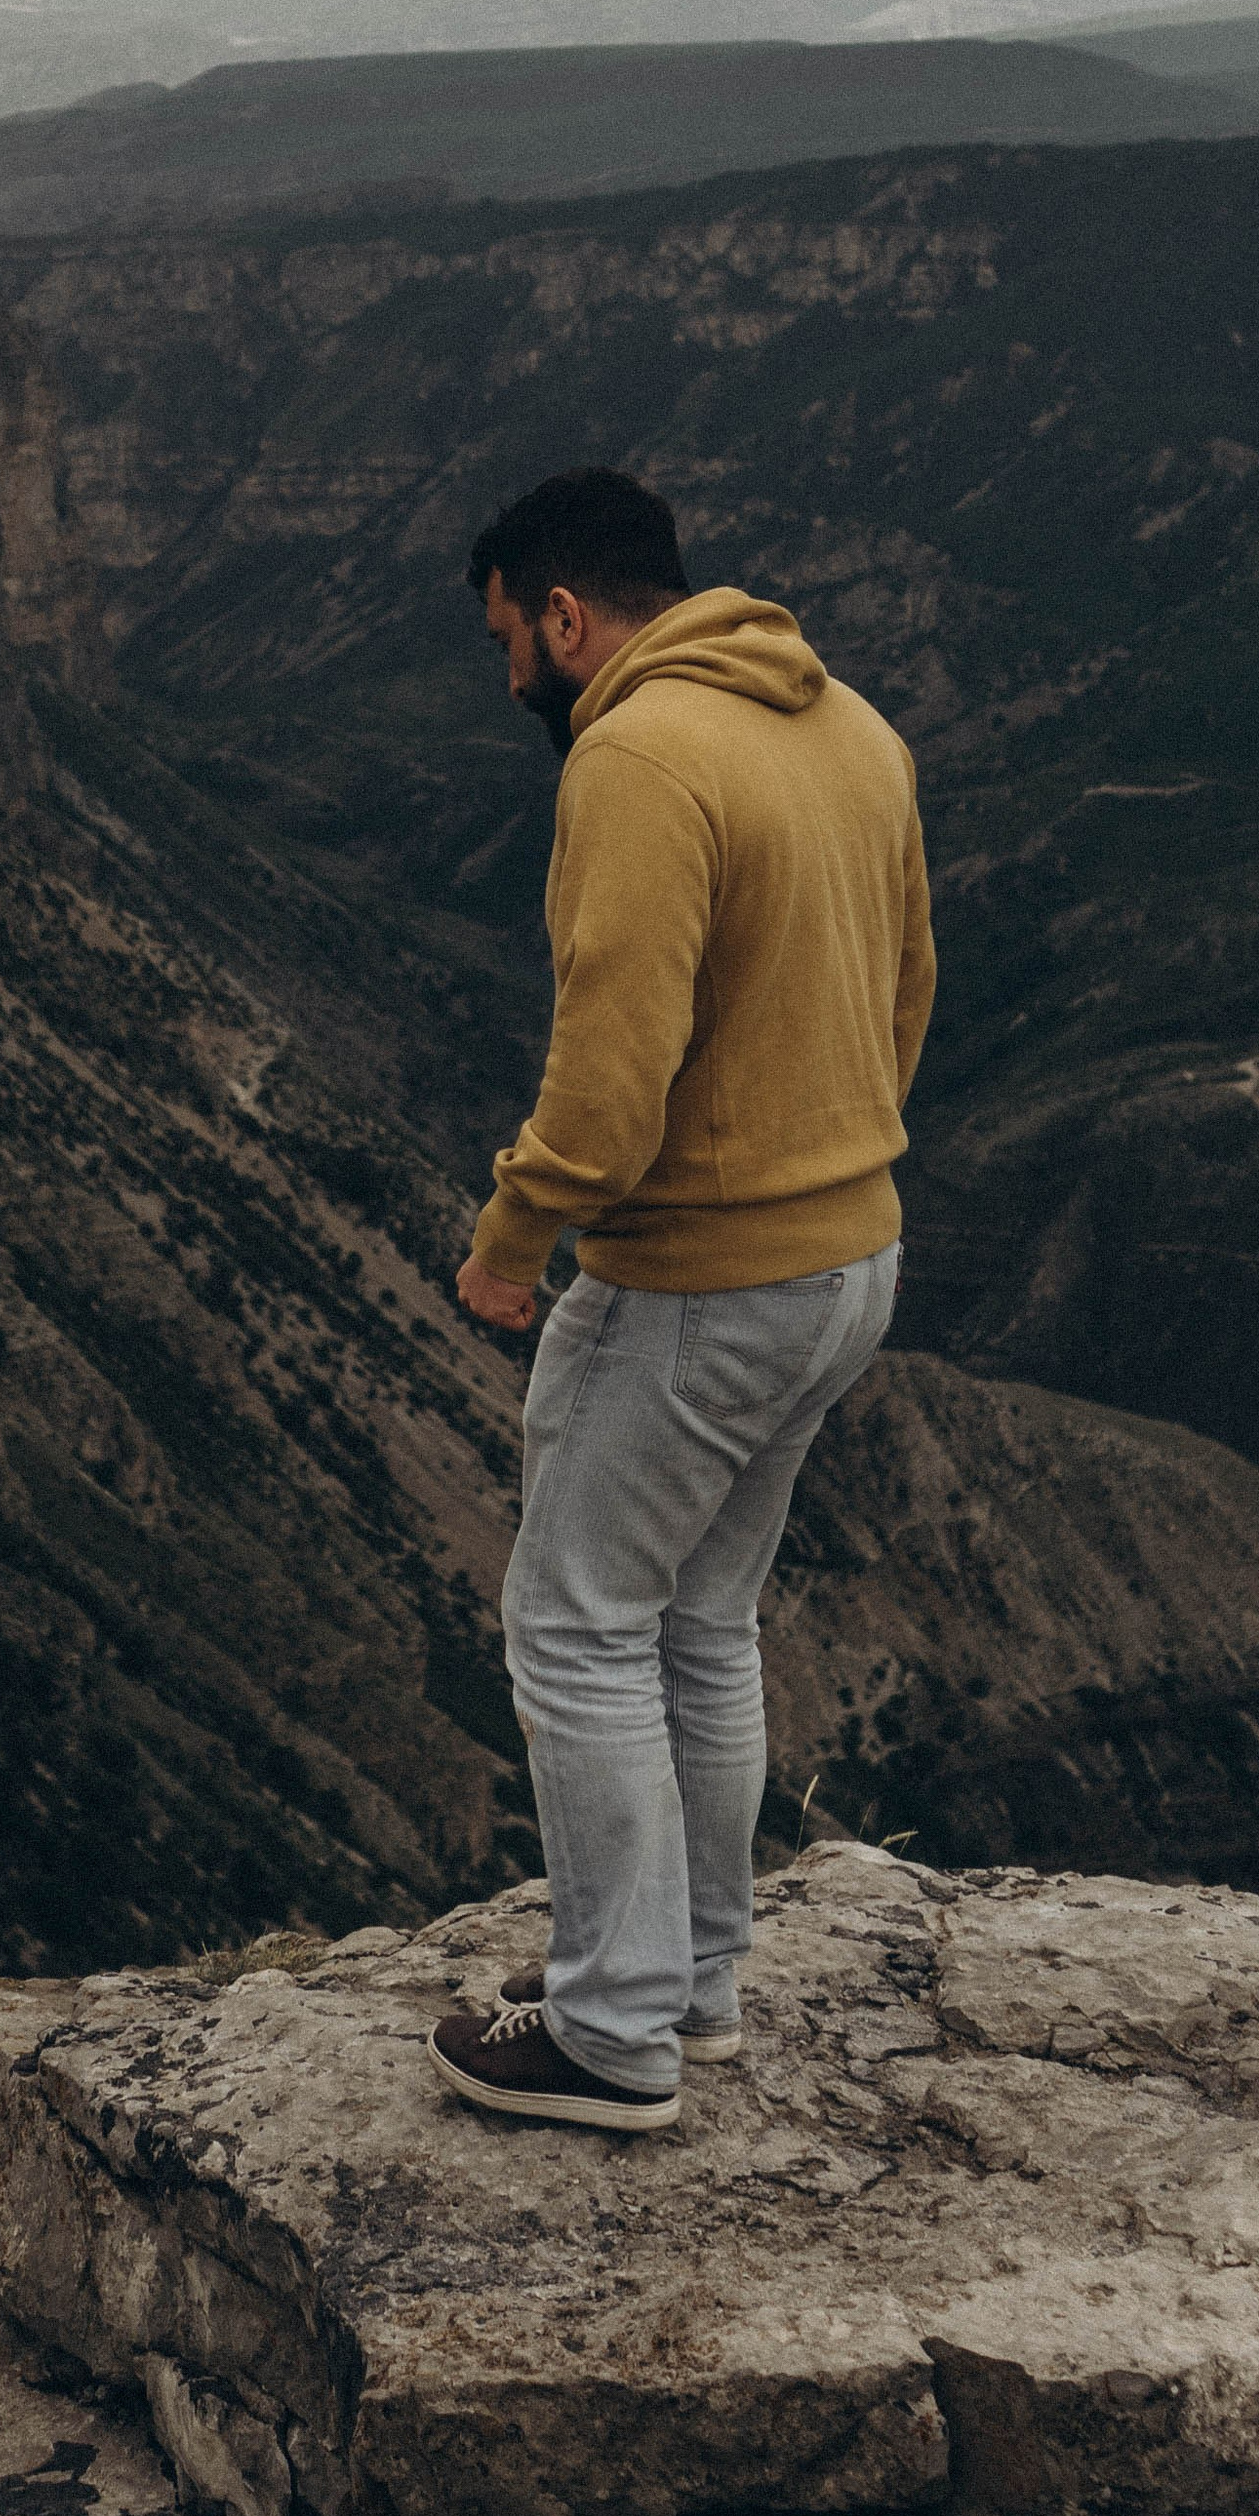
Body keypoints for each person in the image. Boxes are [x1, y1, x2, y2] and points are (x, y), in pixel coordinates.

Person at [430, 467, 934, 2133]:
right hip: (848, 1257)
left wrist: (514, 1238)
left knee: (572, 1622)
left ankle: (613, 2031)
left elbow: (610, 1069)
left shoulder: (637, 754)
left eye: (511, 639)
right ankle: (689, 1981)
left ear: (564, 616)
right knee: (702, 1621)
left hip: (704, 1276)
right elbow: (907, 986)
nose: (512, 679)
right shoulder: (849, 725)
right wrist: (826, 1161)